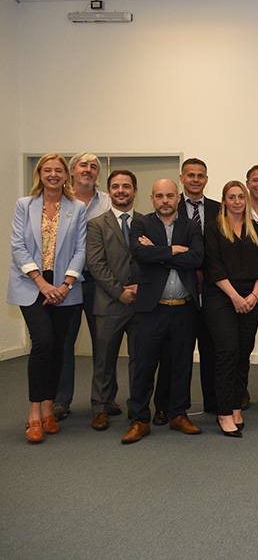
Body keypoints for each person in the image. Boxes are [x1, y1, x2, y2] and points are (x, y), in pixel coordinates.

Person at [9, 153, 87, 443]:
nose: (53, 174)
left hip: (65, 288)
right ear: (40, 174)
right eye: (47, 170)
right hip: (31, 286)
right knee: (42, 342)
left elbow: (81, 249)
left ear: (66, 175)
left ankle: (48, 409)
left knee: (58, 347)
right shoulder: (25, 205)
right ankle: (33, 413)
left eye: (58, 170)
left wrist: (66, 284)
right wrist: (41, 282)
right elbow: (18, 246)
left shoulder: (76, 207)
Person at [123, 179, 203, 444]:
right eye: (160, 196)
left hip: (184, 308)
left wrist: (158, 253)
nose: (165, 201)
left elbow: (197, 258)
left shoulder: (191, 226)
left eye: (170, 195)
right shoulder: (141, 224)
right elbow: (139, 254)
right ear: (152, 198)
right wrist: (175, 250)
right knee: (144, 367)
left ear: (178, 197)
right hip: (151, 309)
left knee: (182, 365)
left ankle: (178, 414)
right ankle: (140, 419)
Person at [203, 181, 258, 437]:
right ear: (224, 201)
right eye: (232, 197)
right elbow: (213, 265)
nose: (237, 201)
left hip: (252, 297)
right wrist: (235, 297)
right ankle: (223, 412)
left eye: (241, 197)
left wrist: (254, 295)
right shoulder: (213, 228)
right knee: (227, 351)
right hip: (221, 297)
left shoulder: (255, 228)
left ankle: (235, 405)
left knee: (243, 353)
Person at [53, 152, 111, 421]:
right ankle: (60, 400)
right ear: (72, 171)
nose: (88, 170)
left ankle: (105, 399)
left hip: (100, 283)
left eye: (93, 167)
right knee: (64, 342)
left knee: (104, 343)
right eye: (83, 165)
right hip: (67, 283)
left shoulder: (107, 202)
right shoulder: (59, 201)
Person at [85, 170, 139, 431]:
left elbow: (152, 260)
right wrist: (119, 292)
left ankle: (137, 405)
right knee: (104, 360)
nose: (121, 191)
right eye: (116, 186)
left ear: (135, 191)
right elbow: (96, 265)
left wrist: (139, 289)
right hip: (108, 303)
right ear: (109, 192)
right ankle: (101, 407)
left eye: (126, 186)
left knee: (139, 359)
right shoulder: (96, 224)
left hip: (141, 304)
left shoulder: (145, 222)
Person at [177, 157, 221, 418]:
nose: (195, 179)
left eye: (200, 175)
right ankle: (175, 407)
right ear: (182, 178)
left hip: (213, 291)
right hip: (181, 289)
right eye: (190, 175)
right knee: (179, 353)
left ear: (206, 179)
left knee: (212, 350)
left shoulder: (219, 209)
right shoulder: (171, 207)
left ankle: (214, 403)